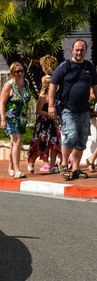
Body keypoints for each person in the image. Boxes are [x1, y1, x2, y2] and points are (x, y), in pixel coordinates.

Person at [48, 39, 97, 180]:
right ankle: (64, 164)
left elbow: (95, 87)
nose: (79, 52)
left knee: (81, 141)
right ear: (72, 50)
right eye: (77, 50)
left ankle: (75, 169)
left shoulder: (90, 67)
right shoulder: (65, 66)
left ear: (86, 51)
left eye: (82, 50)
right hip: (67, 108)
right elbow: (53, 85)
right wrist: (51, 106)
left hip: (84, 110)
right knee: (71, 136)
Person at [26, 56, 62, 174]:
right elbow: (38, 111)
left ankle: (52, 166)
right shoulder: (43, 97)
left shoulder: (57, 98)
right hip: (44, 122)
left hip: (54, 121)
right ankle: (31, 161)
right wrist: (51, 115)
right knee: (39, 142)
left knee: (54, 143)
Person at [0, 62, 31, 178]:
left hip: (22, 117)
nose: (20, 73)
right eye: (17, 71)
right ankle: (17, 170)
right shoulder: (9, 85)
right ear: (12, 72)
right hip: (11, 116)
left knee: (14, 143)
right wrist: (3, 119)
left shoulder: (26, 83)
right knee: (17, 141)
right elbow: (2, 103)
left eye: (21, 71)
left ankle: (10, 167)